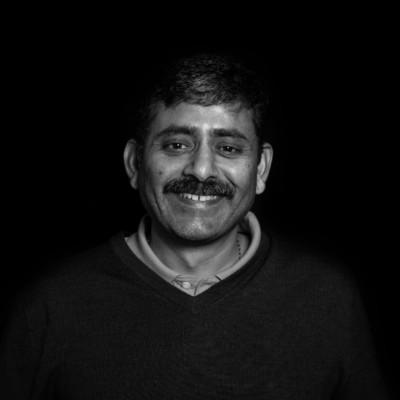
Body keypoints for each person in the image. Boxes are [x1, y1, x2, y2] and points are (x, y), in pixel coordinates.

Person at [0, 53, 389, 399]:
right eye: (177, 145)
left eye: (228, 148)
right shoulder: (51, 306)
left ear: (261, 169)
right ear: (135, 163)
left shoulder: (326, 298)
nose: (202, 170)